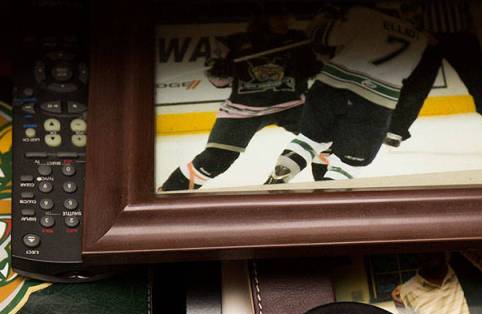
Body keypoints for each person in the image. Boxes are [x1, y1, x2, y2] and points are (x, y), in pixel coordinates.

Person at [159, 5, 321, 192]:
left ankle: (330, 192)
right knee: (214, 160)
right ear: (263, 18)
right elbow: (218, 82)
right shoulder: (233, 43)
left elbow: (318, 64)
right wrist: (220, 71)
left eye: (286, 16)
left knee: (326, 144)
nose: (285, 21)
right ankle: (168, 194)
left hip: (292, 105)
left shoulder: (298, 40)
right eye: (278, 17)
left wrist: (311, 65)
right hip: (243, 110)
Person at [266, 2, 428, 184]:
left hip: (329, 87)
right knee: (349, 165)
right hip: (374, 101)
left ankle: (281, 174)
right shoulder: (420, 40)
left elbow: (319, 35)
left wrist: (328, 11)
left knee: (309, 140)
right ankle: (326, 205)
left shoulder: (364, 13)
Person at [384, 0, 482, 148]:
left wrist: (473, 27)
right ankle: (395, 130)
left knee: (481, 83)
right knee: (416, 86)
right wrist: (418, 30)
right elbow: (407, 7)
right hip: (427, 37)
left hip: (461, 35)